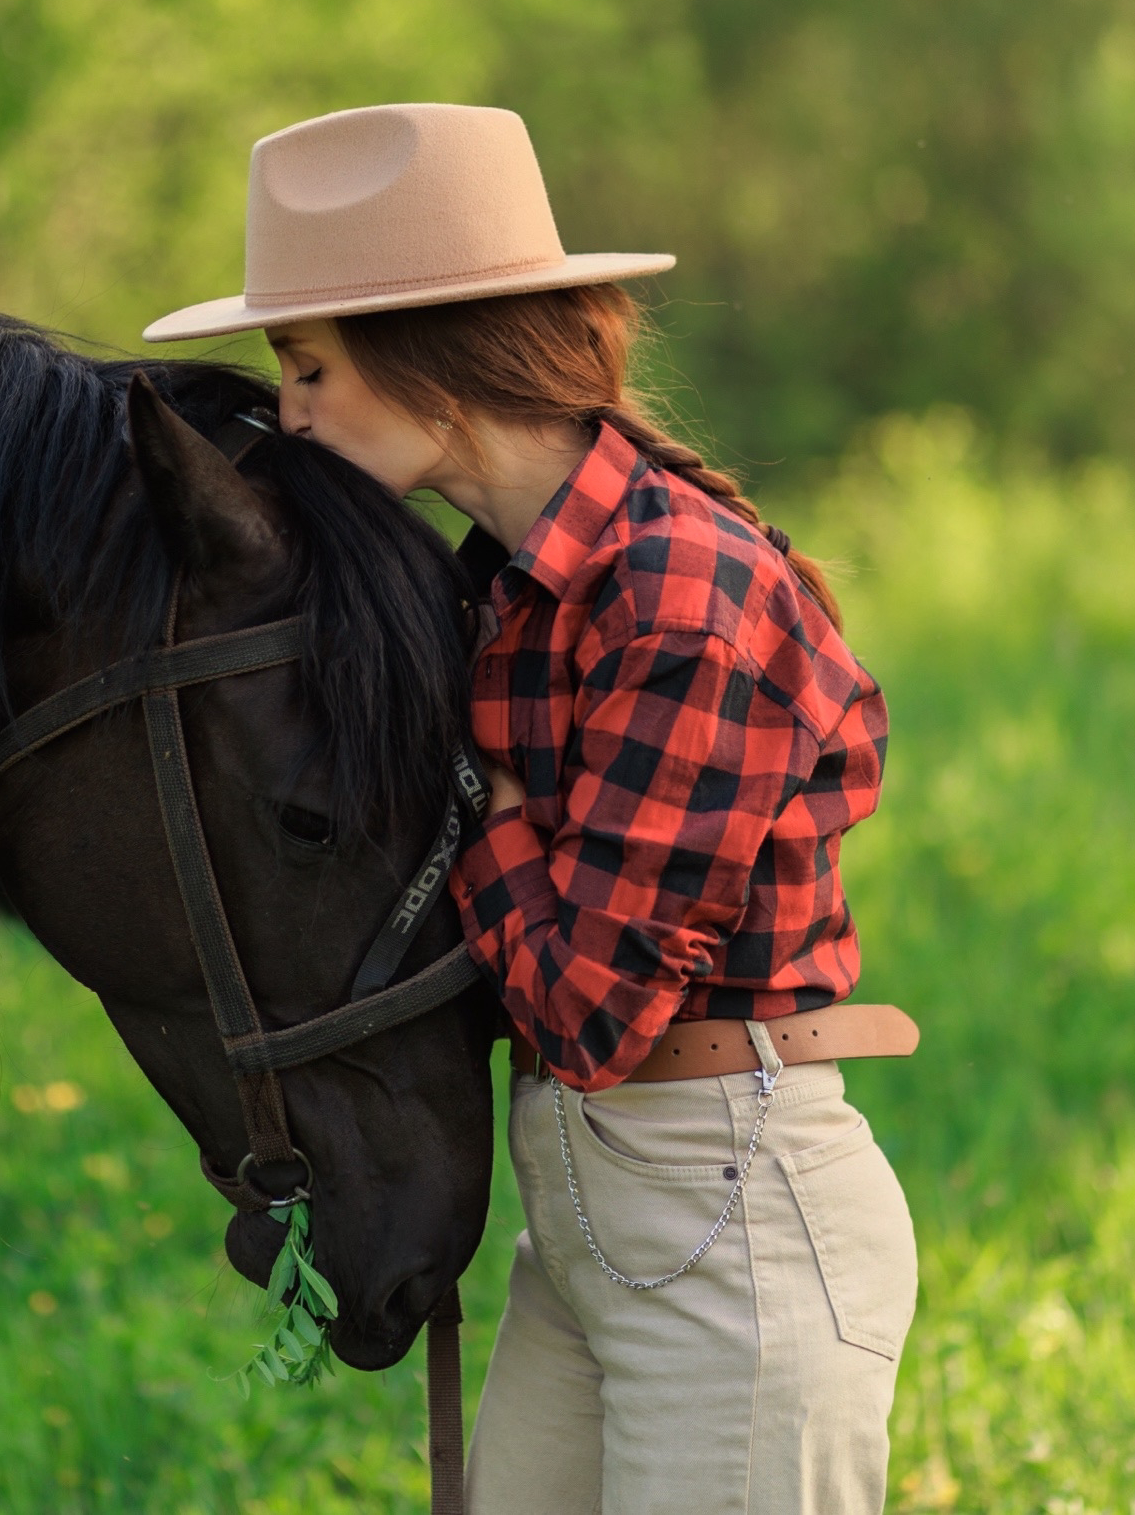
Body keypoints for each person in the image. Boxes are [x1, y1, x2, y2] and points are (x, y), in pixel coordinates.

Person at [144, 104, 919, 1515]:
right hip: (589, 1222)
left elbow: (587, 1013)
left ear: (427, 361)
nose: (291, 415)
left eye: (310, 369)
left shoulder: (676, 596)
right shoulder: (500, 590)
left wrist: (487, 810)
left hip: (729, 1220)